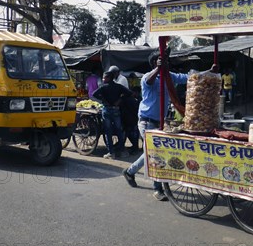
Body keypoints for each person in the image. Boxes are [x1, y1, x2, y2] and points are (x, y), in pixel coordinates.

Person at [123, 53, 217, 201]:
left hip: (160, 121)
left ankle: (130, 171)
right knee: (155, 153)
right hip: (146, 121)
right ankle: (157, 189)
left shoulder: (169, 76)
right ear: (155, 62)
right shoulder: (147, 77)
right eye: (163, 61)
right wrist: (158, 69)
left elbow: (190, 77)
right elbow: (149, 81)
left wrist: (209, 71)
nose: (167, 63)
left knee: (151, 152)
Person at [92, 70, 132, 159]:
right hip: (116, 110)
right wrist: (120, 100)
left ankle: (111, 153)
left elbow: (94, 94)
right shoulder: (118, 87)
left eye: (104, 77)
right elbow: (129, 93)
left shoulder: (103, 87)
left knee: (108, 132)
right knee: (119, 131)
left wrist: (103, 99)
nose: (103, 79)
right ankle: (122, 151)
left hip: (107, 110)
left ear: (109, 78)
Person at [121, 86, 141, 154]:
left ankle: (134, 148)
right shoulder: (133, 99)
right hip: (132, 119)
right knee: (131, 134)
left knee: (131, 134)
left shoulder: (133, 99)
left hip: (130, 119)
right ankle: (134, 147)